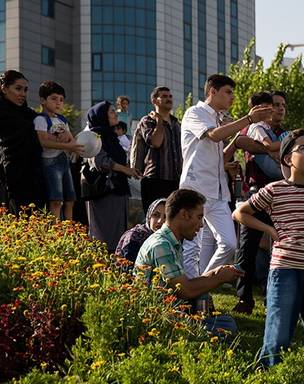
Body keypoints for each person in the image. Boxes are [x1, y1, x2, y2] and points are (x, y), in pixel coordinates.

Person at [233, 130, 304, 384]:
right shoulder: (274, 190)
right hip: (284, 270)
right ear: (287, 158)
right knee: (278, 332)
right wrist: (269, 231)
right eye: (303, 149)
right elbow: (240, 213)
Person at [179, 74, 273, 279]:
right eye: (228, 92)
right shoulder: (195, 112)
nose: (232, 97)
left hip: (219, 191)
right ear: (212, 92)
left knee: (229, 244)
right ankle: (195, 296)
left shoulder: (217, 119)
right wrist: (248, 119)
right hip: (196, 189)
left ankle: (199, 285)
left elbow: (213, 152)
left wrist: (224, 165)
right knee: (195, 248)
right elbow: (214, 135)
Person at [135, 188, 242, 336]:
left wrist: (214, 274)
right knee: (226, 327)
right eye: (199, 217)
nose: (201, 225)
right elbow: (185, 290)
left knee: (226, 322)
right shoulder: (161, 245)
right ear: (185, 215)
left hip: (169, 312)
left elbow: (181, 285)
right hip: (155, 319)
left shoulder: (171, 241)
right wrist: (219, 277)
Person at [233, 90, 288, 313]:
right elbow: (242, 143)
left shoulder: (285, 134)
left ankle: (273, 297)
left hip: (282, 194)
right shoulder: (251, 130)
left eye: (283, 104)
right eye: (276, 104)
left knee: (280, 248)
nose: (280, 108)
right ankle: (244, 298)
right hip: (256, 194)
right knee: (247, 248)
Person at [84, 100, 142, 252]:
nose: (115, 113)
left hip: (117, 189)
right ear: (101, 116)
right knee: (104, 238)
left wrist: (130, 169)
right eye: (111, 111)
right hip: (104, 192)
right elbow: (100, 161)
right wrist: (125, 169)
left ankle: (114, 270)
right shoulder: (94, 136)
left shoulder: (112, 137)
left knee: (117, 235)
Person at [0, 70, 45, 211]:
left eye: (25, 90)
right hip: (12, 171)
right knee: (17, 217)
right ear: (4, 88)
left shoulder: (26, 111)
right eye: (18, 88)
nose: (23, 94)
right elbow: (22, 128)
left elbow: (43, 124)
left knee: (36, 220)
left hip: (34, 171)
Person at [34, 81, 84, 220]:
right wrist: (68, 146)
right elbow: (43, 141)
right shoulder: (40, 119)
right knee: (56, 199)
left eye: (61, 100)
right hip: (50, 162)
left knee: (70, 199)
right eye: (54, 98)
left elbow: (71, 139)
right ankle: (55, 231)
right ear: (43, 100)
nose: (58, 103)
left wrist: (76, 146)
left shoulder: (62, 119)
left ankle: (68, 229)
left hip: (63, 161)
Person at [132, 86, 183, 214]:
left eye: (170, 96)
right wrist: (159, 121)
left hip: (175, 181)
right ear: (155, 101)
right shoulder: (148, 121)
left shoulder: (177, 124)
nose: (169, 99)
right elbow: (156, 142)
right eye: (164, 96)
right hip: (154, 180)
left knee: (173, 220)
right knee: (153, 221)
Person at [115, 197, 167, 264]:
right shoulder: (134, 237)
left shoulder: (167, 238)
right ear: (149, 216)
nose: (160, 221)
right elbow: (127, 267)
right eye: (156, 215)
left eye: (165, 217)